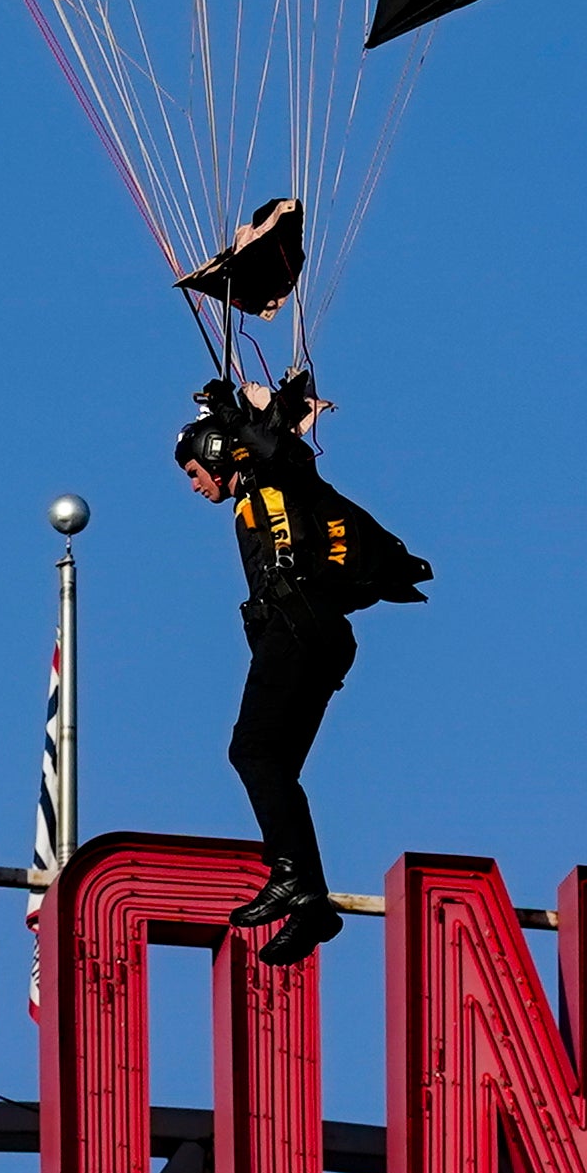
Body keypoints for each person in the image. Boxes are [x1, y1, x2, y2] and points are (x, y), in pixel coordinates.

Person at [175, 371, 431, 963]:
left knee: (253, 753)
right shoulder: (260, 492)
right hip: (311, 635)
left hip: (297, 628)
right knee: (274, 768)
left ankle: (293, 876)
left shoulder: (279, 480)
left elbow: (284, 454)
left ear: (216, 455)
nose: (192, 486)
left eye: (193, 471)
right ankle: (311, 900)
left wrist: (233, 418)